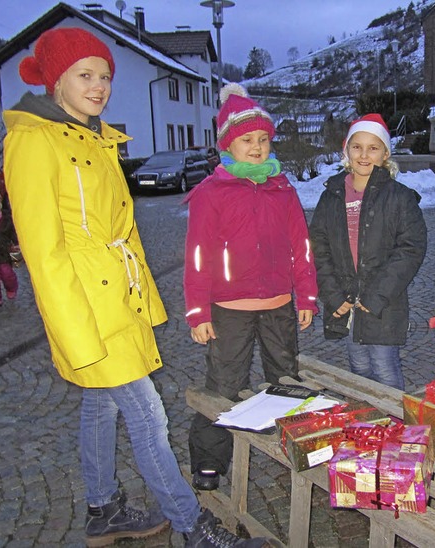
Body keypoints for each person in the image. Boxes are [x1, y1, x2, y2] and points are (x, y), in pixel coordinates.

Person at [3, 27, 267, 548]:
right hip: (85, 308)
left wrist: (142, 297)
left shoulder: (94, 136)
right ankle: (195, 528)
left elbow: (119, 232)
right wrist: (76, 335)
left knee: (101, 407)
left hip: (115, 299)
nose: (98, 86)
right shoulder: (32, 141)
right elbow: (43, 250)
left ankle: (103, 511)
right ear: (56, 80)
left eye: (104, 75)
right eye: (85, 75)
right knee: (147, 415)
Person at [183, 83, 318, 491]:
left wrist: (306, 294)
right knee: (224, 386)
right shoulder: (212, 192)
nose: (257, 147)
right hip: (229, 306)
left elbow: (302, 245)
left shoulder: (283, 189)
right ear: (229, 144)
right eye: (247, 140)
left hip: (279, 302)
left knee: (286, 380)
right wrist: (198, 311)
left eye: (263, 139)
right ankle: (209, 461)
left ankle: (293, 448)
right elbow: (199, 255)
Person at [309, 114, 427, 390]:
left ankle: (394, 427)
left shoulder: (399, 197)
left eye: (373, 148)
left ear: (385, 153)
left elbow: (410, 250)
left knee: (385, 368)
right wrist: (332, 294)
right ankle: (368, 428)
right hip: (345, 301)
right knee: (358, 367)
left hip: (382, 304)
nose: (364, 155)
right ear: (346, 150)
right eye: (357, 146)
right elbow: (318, 247)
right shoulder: (332, 195)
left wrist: (376, 296)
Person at [0, 191, 18, 306]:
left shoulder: (6, 218)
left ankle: (11, 288)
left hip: (3, 251)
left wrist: (16, 242)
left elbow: (12, 232)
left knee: (7, 273)